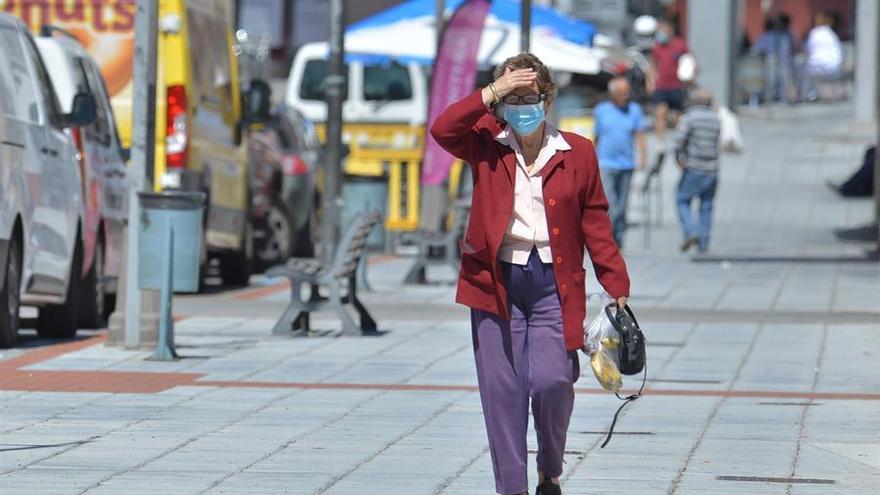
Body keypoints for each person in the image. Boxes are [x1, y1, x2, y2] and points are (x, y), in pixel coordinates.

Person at [430, 53, 631, 495]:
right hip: (496, 283)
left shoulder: (578, 152)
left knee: (553, 380)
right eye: (513, 97)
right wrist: (490, 93)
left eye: (531, 96)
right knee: (502, 394)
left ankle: (550, 467)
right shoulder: (486, 141)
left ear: (548, 99)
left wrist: (615, 283)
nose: (523, 105)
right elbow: (442, 129)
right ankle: (512, 489)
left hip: (552, 287)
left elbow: (595, 219)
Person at [594, 77, 647, 248]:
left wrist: (643, 156)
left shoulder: (634, 110)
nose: (625, 96)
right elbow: (596, 136)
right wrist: (591, 158)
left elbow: (639, 134)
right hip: (607, 162)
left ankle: (619, 239)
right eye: (621, 93)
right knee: (610, 204)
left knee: (623, 206)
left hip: (627, 163)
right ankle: (608, 239)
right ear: (612, 94)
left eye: (627, 93)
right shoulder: (601, 110)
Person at [672, 88, 721, 253]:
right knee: (706, 205)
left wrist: (678, 158)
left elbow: (678, 140)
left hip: (694, 167)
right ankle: (704, 243)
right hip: (712, 169)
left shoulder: (689, 117)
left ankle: (691, 231)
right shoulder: (716, 118)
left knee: (681, 200)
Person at [649, 19, 689, 145]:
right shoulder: (656, 48)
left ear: (670, 31)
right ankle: (661, 142)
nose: (661, 33)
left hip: (676, 85)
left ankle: (680, 140)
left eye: (663, 30)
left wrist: (689, 77)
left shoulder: (680, 45)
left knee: (678, 116)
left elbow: (690, 61)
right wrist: (650, 82)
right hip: (661, 86)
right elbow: (652, 66)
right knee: (660, 113)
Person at [799, 11, 843, 101]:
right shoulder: (832, 34)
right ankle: (813, 93)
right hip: (834, 66)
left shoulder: (814, 33)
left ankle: (809, 93)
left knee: (801, 68)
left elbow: (808, 50)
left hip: (817, 66)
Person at [752, 14, 795, 103]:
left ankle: (773, 99)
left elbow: (756, 50)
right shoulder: (784, 36)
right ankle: (782, 100)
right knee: (782, 84)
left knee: (771, 84)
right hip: (782, 63)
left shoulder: (769, 36)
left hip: (772, 64)